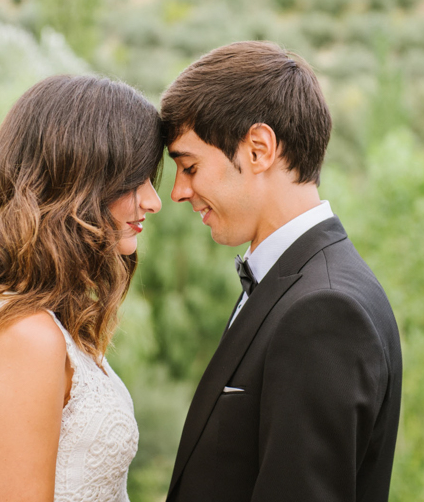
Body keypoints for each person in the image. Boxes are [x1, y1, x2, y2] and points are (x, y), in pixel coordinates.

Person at [160, 41, 402, 502]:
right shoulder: (295, 281)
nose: (178, 191)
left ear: (258, 149)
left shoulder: (326, 311)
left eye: (189, 166)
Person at [0, 75, 163, 502]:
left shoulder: (39, 323)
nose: (153, 200)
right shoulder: (28, 336)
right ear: (78, 182)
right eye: (136, 180)